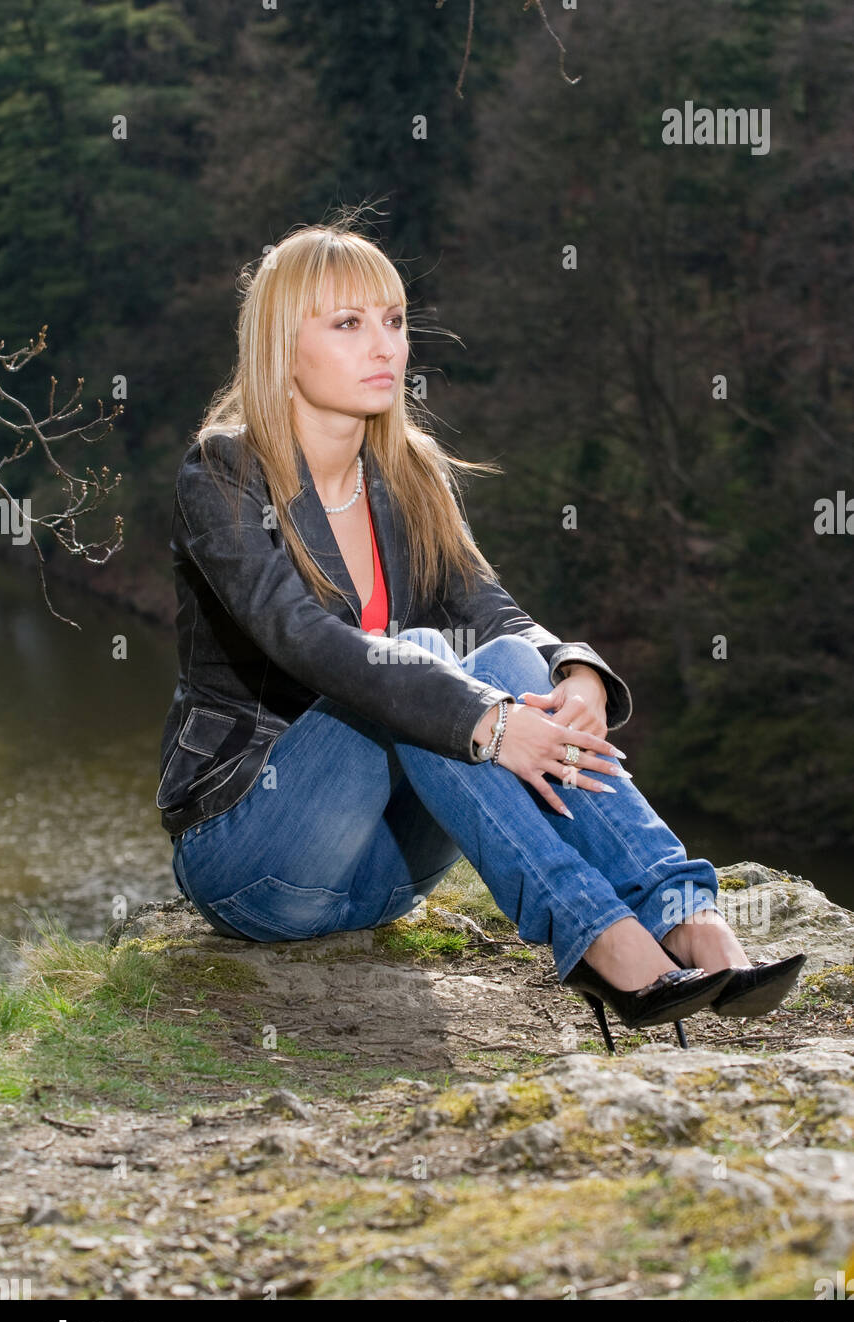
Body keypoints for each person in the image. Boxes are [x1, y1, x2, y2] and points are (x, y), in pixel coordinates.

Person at [156, 216, 805, 1053]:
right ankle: (600, 937)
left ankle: (686, 915)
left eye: (393, 320)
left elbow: (491, 610)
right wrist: (491, 723)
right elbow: (304, 639)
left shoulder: (407, 472)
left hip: (386, 878)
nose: (385, 345)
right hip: (258, 859)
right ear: (281, 347)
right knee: (427, 665)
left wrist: (576, 674)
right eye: (348, 324)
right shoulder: (223, 472)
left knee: (496, 659)